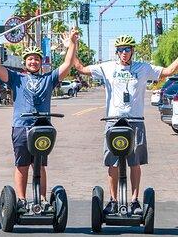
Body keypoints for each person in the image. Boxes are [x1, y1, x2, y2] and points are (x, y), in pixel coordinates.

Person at [73, 34, 178, 215]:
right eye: (120, 50)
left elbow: (168, 71)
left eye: (127, 49)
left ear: (132, 51)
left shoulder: (143, 68)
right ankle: (113, 200)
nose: (124, 53)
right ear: (117, 52)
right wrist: (72, 45)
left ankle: (135, 200)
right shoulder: (107, 67)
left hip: (135, 121)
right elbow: (80, 68)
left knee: (134, 162)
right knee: (112, 163)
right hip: (113, 121)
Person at [0, 28, 79, 211]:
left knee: (40, 164)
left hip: (42, 128)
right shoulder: (16, 78)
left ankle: (43, 199)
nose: (33, 61)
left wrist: (73, 43)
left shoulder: (48, 78)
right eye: (30, 59)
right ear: (25, 62)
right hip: (21, 126)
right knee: (22, 164)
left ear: (41, 62)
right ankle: (20, 200)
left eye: (36, 59)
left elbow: (67, 65)